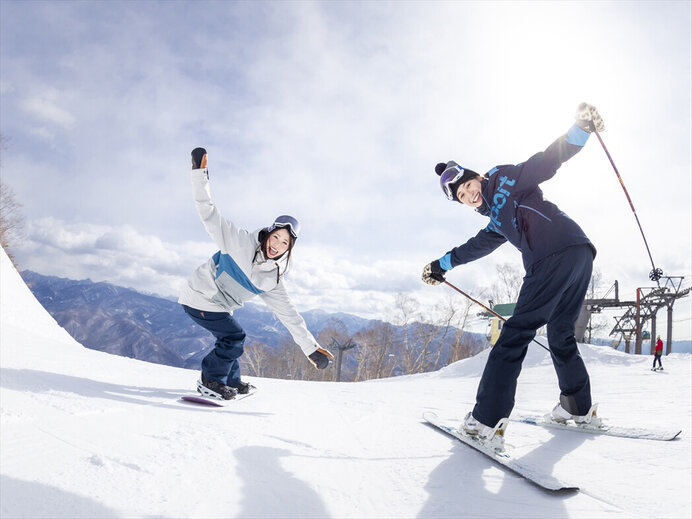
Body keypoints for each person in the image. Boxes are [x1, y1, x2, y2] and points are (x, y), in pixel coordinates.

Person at [422, 103, 605, 444]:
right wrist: (441, 265)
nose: (470, 195)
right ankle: (576, 407)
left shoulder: (503, 180)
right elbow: (475, 246)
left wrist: (578, 131)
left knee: (514, 335)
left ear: (477, 176)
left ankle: (485, 422)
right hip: (578, 252)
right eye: (462, 196)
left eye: (468, 185)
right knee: (561, 333)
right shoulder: (495, 220)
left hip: (554, 255)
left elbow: (544, 162)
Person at [179, 147, 334, 400]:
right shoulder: (238, 242)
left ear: (289, 249)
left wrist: (311, 349)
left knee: (233, 337)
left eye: (285, 243)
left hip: (218, 306)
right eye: (276, 238)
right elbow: (207, 211)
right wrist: (199, 173)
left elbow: (290, 316)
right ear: (268, 234)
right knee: (234, 336)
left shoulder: (271, 279)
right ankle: (211, 380)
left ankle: (232, 381)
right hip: (199, 295)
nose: (277, 246)